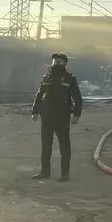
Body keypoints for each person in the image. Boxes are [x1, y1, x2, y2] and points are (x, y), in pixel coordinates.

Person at [31, 53, 83, 182]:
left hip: (62, 117)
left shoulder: (69, 79)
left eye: (59, 62)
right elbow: (39, 96)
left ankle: (65, 174)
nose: (56, 64)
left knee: (64, 146)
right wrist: (35, 112)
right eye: (54, 62)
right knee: (45, 146)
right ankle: (45, 172)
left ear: (65, 64)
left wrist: (76, 115)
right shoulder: (46, 78)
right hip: (47, 117)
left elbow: (78, 98)